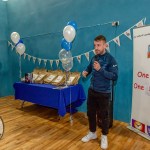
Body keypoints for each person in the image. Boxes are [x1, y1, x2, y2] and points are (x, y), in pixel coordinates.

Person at [81, 35, 118, 149]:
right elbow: (90, 67)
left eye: (98, 45)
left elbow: (114, 76)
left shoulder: (111, 59)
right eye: (95, 45)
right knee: (90, 114)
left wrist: (100, 70)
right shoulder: (94, 58)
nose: (96, 48)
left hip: (104, 93)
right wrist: (86, 71)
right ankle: (92, 133)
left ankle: (104, 136)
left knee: (104, 116)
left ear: (105, 45)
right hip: (92, 91)